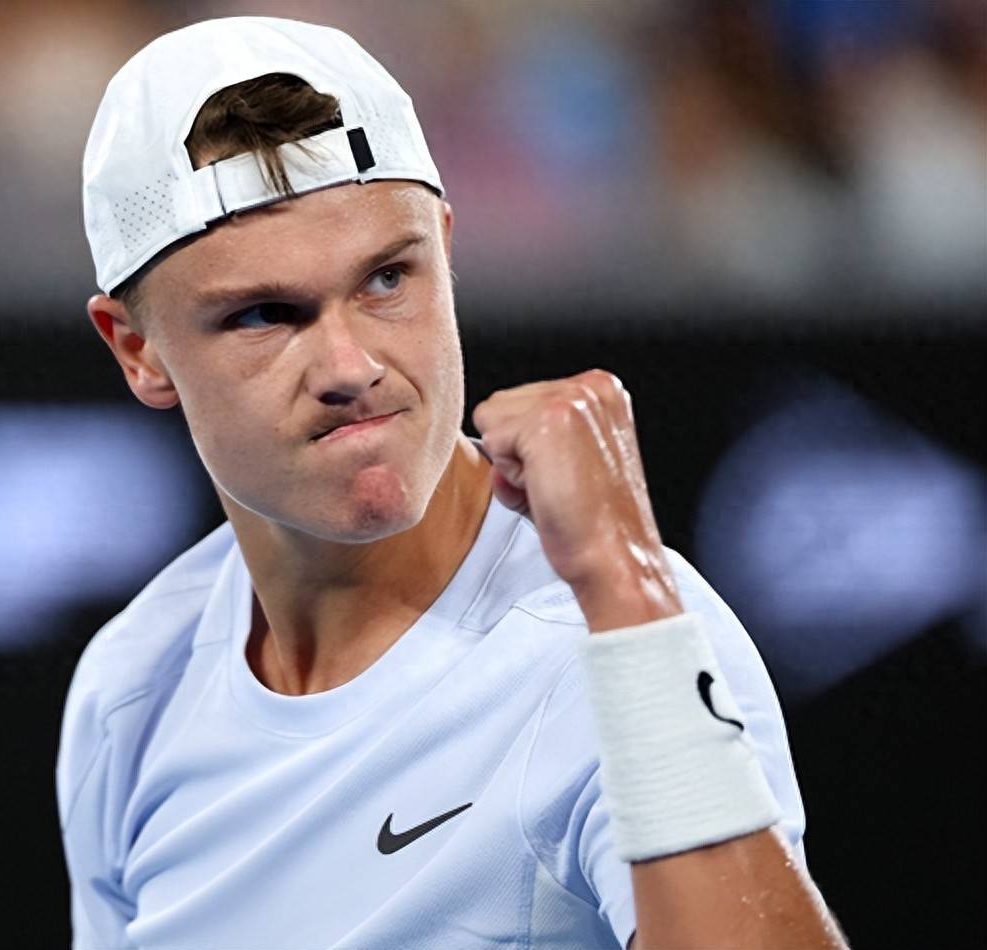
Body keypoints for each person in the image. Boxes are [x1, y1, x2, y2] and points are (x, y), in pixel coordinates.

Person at [58, 16, 846, 949]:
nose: (351, 366)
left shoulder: (620, 642)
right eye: (265, 314)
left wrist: (626, 593)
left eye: (387, 279)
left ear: (445, 245)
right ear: (138, 351)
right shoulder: (130, 690)